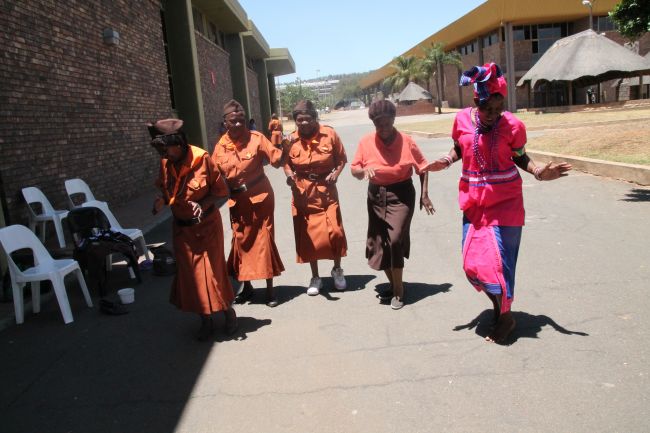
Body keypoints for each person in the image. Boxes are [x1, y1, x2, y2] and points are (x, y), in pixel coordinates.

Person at [428, 63, 572, 343]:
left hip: (506, 204)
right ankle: (500, 307)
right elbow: (459, 147)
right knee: (473, 264)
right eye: (487, 109)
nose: (493, 115)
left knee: (498, 264)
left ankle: (505, 317)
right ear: (476, 102)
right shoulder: (462, 120)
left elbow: (520, 155)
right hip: (473, 204)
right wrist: (445, 161)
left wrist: (539, 172)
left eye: (498, 107)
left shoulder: (513, 126)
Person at [148, 118, 237, 341]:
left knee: (213, 273)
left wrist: (202, 204)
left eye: (166, 149)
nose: (164, 155)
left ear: (178, 143)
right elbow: (167, 190)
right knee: (192, 277)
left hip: (206, 227)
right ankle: (205, 320)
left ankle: (228, 312)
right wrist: (161, 201)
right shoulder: (166, 162)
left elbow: (221, 192)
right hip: (182, 230)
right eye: (160, 151)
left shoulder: (201, 158)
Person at [350, 100, 435, 310]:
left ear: (394, 120)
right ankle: (393, 283)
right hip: (376, 197)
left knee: (395, 240)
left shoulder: (407, 141)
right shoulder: (366, 142)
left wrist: (424, 195)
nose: (383, 128)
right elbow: (354, 169)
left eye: (387, 123)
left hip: (402, 195)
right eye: (378, 125)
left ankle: (399, 291)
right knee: (380, 242)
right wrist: (363, 172)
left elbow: (423, 168)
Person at [212, 100, 285, 307]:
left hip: (260, 196)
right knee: (240, 242)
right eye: (233, 121)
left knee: (264, 240)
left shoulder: (257, 138)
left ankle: (270, 290)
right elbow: (213, 175)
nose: (238, 124)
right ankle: (248, 287)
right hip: (237, 201)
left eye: (241, 120)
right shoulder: (220, 146)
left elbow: (277, 161)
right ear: (225, 123)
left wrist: (281, 143)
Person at [284, 100, 347, 295]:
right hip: (304, 193)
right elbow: (285, 163)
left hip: (327, 191)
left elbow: (341, 159)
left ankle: (337, 270)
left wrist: (336, 174)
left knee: (335, 232)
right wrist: (290, 176)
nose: (303, 123)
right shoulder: (290, 140)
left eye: (307, 119)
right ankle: (315, 277)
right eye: (299, 120)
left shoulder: (330, 134)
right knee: (310, 237)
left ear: (315, 118)